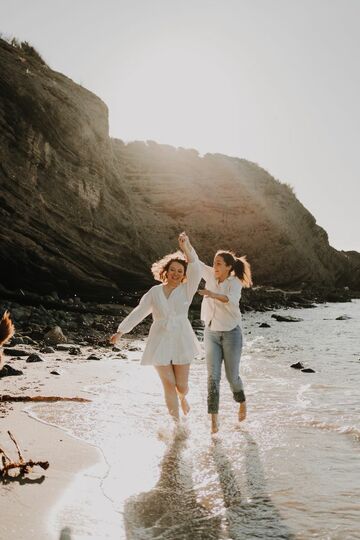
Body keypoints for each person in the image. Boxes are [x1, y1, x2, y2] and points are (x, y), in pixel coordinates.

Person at [110, 233, 201, 422]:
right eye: (173, 270)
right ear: (166, 271)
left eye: (180, 271)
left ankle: (183, 397)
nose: (176, 273)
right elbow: (140, 311)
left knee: (181, 385)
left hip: (181, 338)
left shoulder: (188, 289)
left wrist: (187, 248)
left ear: (185, 275)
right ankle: (177, 426)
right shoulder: (154, 291)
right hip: (159, 339)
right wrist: (121, 331)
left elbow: (196, 267)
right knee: (168, 384)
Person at [197, 250, 252, 433]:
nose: (215, 267)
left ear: (229, 267)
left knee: (232, 377)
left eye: (219, 263)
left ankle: (242, 401)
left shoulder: (234, 283)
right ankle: (214, 421)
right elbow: (195, 260)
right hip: (211, 333)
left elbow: (230, 300)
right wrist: (185, 243)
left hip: (231, 334)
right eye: (214, 263)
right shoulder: (211, 276)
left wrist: (211, 294)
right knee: (212, 378)